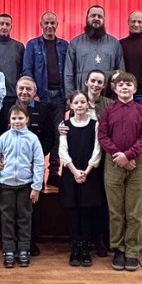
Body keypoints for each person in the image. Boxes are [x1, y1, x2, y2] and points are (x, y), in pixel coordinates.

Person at [98, 72, 142, 271]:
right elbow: (103, 136)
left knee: (134, 211)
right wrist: (118, 156)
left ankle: (132, 251)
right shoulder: (108, 111)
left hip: (137, 164)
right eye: (121, 85)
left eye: (129, 84)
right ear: (115, 89)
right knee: (116, 211)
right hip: (113, 163)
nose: (125, 87)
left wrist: (128, 155)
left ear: (135, 89)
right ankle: (118, 248)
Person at [0, 104, 45, 268]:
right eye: (14, 118)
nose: (17, 121)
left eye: (20, 118)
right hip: (6, 185)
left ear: (27, 119)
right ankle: (8, 250)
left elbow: (39, 163)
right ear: (9, 120)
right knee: (7, 218)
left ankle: (24, 249)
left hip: (25, 185)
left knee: (24, 218)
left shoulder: (33, 139)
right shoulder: (4, 138)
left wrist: (36, 187)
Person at [57, 90, 102, 268]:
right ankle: (75, 245)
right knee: (73, 210)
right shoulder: (65, 125)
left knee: (86, 210)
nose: (80, 105)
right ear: (71, 105)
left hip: (89, 173)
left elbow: (97, 150)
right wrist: (75, 172)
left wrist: (87, 171)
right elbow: (62, 151)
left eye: (83, 102)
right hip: (71, 172)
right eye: (76, 102)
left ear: (88, 104)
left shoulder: (95, 125)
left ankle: (85, 246)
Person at [64, 5, 124, 97]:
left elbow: (121, 73)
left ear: (104, 20)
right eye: (93, 16)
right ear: (86, 18)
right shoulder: (75, 43)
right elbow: (68, 74)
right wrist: (70, 97)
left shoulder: (114, 44)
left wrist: (119, 96)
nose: (96, 18)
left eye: (100, 16)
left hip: (108, 96)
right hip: (81, 96)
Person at [23, 11, 68, 110]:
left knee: (59, 121)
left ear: (57, 24)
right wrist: (33, 94)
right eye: (46, 23)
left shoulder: (65, 46)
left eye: (52, 23)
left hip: (60, 97)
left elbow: (69, 71)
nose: (49, 26)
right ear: (41, 24)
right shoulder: (32, 44)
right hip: (39, 96)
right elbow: (27, 70)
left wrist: (68, 96)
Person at [0, 13, 25, 102]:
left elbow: (23, 72)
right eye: (1, 23)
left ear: (11, 27)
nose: (4, 27)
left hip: (12, 95)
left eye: (7, 24)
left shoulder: (19, 47)